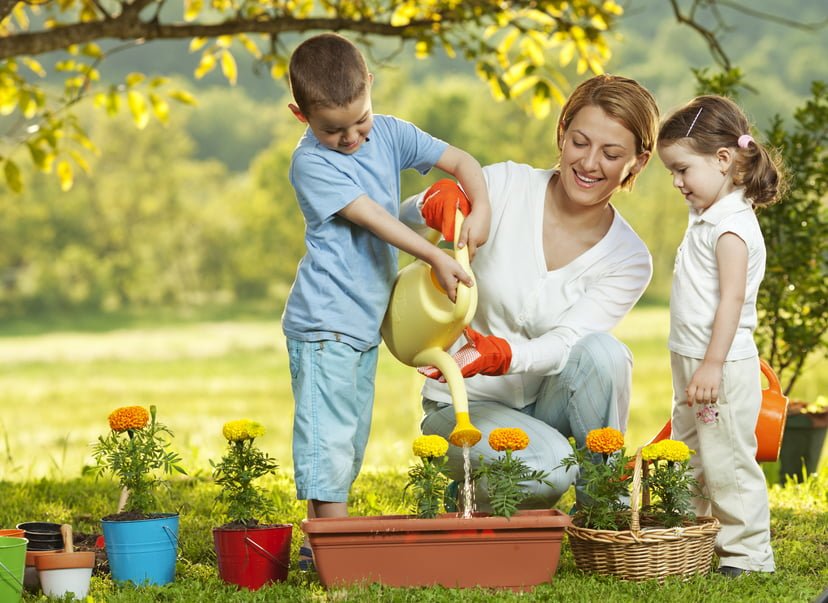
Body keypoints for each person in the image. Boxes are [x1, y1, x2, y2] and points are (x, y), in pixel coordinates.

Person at [282, 32, 492, 570]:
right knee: (327, 435)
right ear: (300, 115)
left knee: (347, 438)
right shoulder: (311, 165)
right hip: (325, 320)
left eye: (360, 120)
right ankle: (332, 552)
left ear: (370, 87)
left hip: (360, 322)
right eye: (333, 129)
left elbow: (462, 161)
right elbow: (375, 219)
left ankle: (318, 544)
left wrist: (480, 207)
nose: (352, 137)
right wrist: (434, 255)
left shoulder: (392, 133)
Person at [402, 74, 659, 510]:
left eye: (612, 153)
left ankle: (601, 507)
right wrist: (433, 200)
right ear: (562, 134)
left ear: (637, 162)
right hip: (466, 405)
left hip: (550, 406)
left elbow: (566, 345)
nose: (590, 163)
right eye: (580, 142)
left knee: (605, 354)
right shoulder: (504, 187)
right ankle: (473, 488)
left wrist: (504, 355)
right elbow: (399, 219)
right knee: (550, 473)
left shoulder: (628, 258)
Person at [657, 95, 783, 577]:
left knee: (728, 460)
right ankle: (689, 541)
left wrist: (710, 365)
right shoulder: (709, 212)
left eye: (683, 169)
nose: (677, 182)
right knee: (688, 453)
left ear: (724, 160)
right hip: (691, 360)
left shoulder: (731, 227)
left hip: (720, 366)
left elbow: (731, 301)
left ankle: (748, 556)